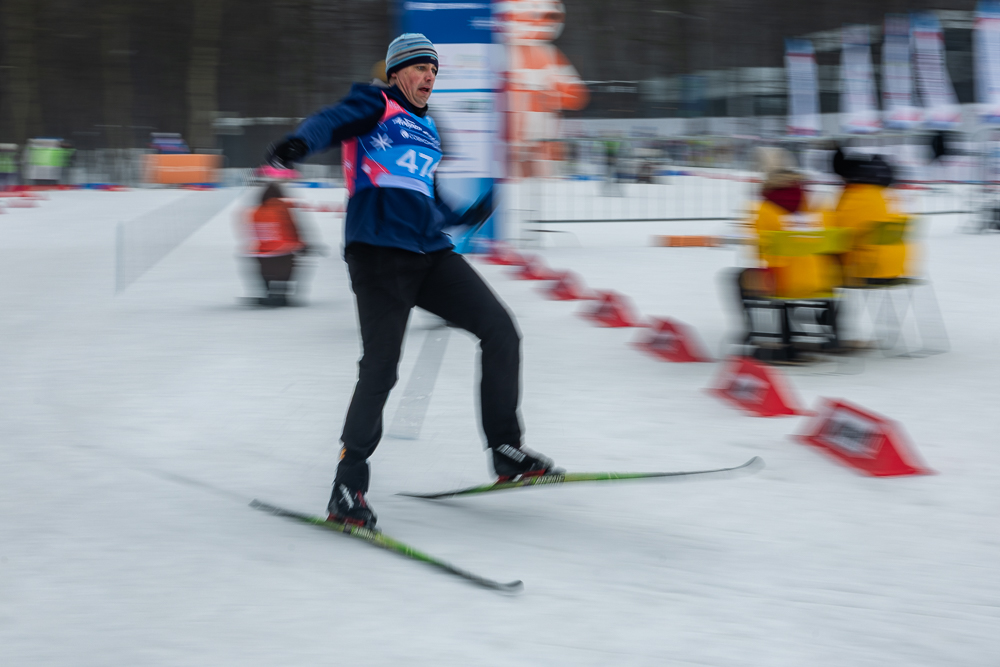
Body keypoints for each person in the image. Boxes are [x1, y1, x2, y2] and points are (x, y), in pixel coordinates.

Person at [266, 33, 560, 528]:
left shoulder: (427, 127)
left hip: (430, 253)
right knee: (380, 368)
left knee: (500, 330)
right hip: (379, 253)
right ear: (398, 71)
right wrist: (300, 142)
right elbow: (330, 122)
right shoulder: (373, 103)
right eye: (421, 68)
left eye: (435, 70)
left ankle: (506, 448)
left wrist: (464, 217)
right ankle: (347, 486)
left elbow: (426, 195)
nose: (429, 77)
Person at [243, 183, 306, 307]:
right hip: (282, 254)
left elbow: (254, 233)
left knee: (263, 264)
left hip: (263, 255)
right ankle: (281, 293)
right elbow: (292, 227)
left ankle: (268, 291)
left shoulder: (256, 211)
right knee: (290, 263)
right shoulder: (282, 207)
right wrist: (302, 244)